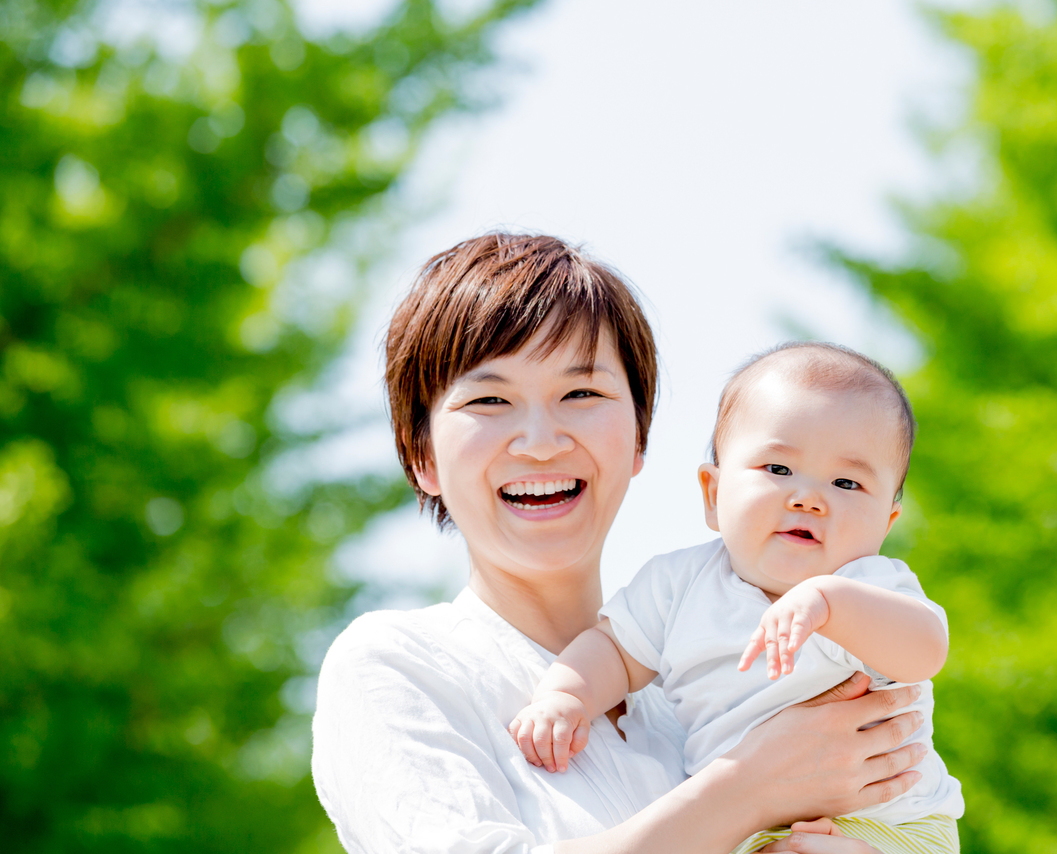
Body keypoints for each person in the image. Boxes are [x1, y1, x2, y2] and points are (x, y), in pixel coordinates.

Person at [311, 233, 929, 854]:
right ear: (422, 456)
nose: (541, 440)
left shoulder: (699, 676)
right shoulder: (401, 666)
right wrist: (748, 789)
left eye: (581, 394)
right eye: (489, 399)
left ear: (639, 438)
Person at [508, 344, 964, 854]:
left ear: (885, 523)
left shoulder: (867, 585)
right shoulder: (679, 584)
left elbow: (926, 649)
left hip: (890, 823)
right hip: (744, 832)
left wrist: (831, 603)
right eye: (778, 468)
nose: (808, 497)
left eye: (846, 482)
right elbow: (613, 648)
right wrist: (566, 696)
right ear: (712, 493)